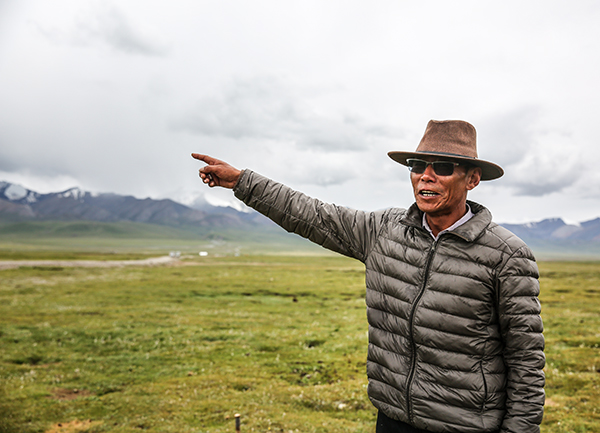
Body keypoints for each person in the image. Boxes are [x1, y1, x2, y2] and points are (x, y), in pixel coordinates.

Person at [192, 119, 545, 433]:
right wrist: (241, 182)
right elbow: (312, 214)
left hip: (465, 424)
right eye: (417, 165)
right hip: (392, 418)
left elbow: (526, 364)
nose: (426, 175)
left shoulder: (507, 256)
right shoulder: (383, 231)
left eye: (442, 167)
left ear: (473, 178)